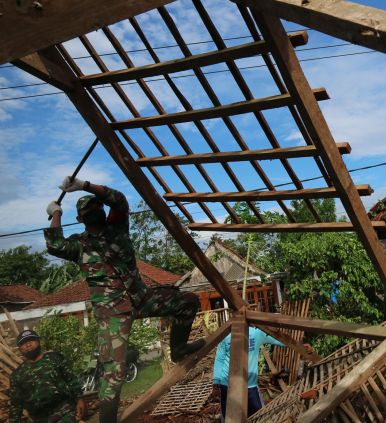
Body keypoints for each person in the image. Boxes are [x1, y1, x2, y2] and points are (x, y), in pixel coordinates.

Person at [45, 178, 205, 423]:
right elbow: (54, 244)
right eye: (90, 209)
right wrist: (56, 213)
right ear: (80, 219)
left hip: (141, 298)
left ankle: (179, 349)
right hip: (112, 314)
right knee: (113, 375)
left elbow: (119, 200)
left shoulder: (117, 228)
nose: (97, 209)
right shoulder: (78, 245)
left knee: (188, 301)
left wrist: (84, 185)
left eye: (99, 205)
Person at [212, 327, 311, 419]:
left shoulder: (256, 333)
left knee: (259, 416)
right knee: (230, 417)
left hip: (249, 385)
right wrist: (216, 382)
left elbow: (279, 340)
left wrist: (300, 345)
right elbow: (220, 359)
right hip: (228, 384)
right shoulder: (227, 335)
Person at [9, 330, 85, 423]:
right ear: (20, 349)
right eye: (23, 343)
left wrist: (80, 399)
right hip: (37, 418)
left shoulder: (55, 358)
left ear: (38, 341)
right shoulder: (17, 375)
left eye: (31, 340)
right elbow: (15, 404)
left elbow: (71, 380)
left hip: (64, 412)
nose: (28, 344)